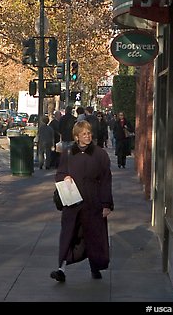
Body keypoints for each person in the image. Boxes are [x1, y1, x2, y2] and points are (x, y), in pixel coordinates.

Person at [50, 120, 114, 282]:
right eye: (84, 134)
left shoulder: (100, 154)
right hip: (72, 201)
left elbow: (106, 180)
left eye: (89, 133)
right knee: (69, 235)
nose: (88, 136)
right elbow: (60, 172)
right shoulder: (68, 153)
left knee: (93, 236)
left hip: (93, 201)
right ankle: (61, 269)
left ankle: (95, 266)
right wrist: (65, 177)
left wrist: (106, 204)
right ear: (77, 137)